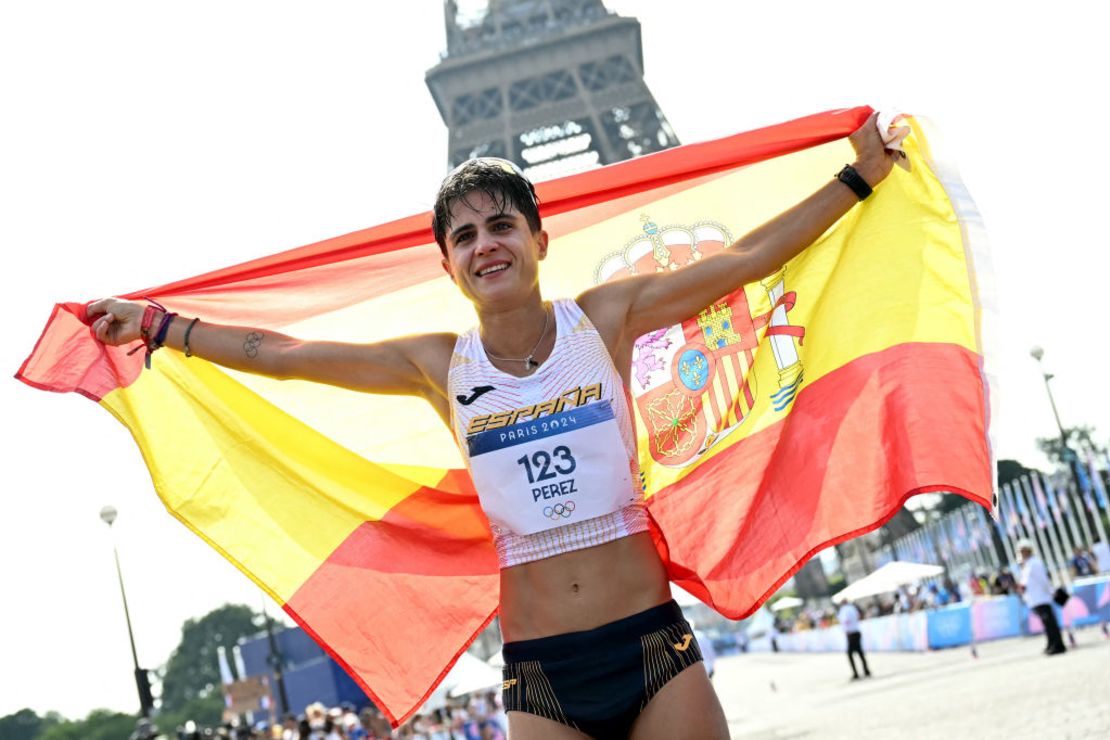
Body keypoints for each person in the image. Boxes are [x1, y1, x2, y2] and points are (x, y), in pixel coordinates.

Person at [88, 113, 901, 739]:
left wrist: (858, 177)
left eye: (502, 225)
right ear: (448, 265)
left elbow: (747, 259)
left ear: (540, 239)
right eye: (466, 235)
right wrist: (160, 327)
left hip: (655, 649)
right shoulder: (436, 365)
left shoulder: (606, 321)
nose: (487, 244)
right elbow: (286, 353)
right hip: (542, 677)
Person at [1016, 539, 1066, 655]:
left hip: (1042, 598)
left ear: (1028, 550)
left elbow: (1043, 580)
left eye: (1023, 551)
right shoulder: (1027, 564)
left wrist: (1051, 591)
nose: (1021, 553)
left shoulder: (1035, 563)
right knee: (1046, 624)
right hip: (1035, 599)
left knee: (1050, 624)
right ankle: (1051, 643)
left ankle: (1058, 645)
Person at [836, 600, 870, 680]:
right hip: (856, 631)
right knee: (860, 652)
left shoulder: (844, 610)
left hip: (851, 633)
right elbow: (859, 616)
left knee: (850, 654)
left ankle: (856, 673)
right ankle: (866, 670)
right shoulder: (852, 608)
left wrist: (847, 630)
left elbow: (845, 621)